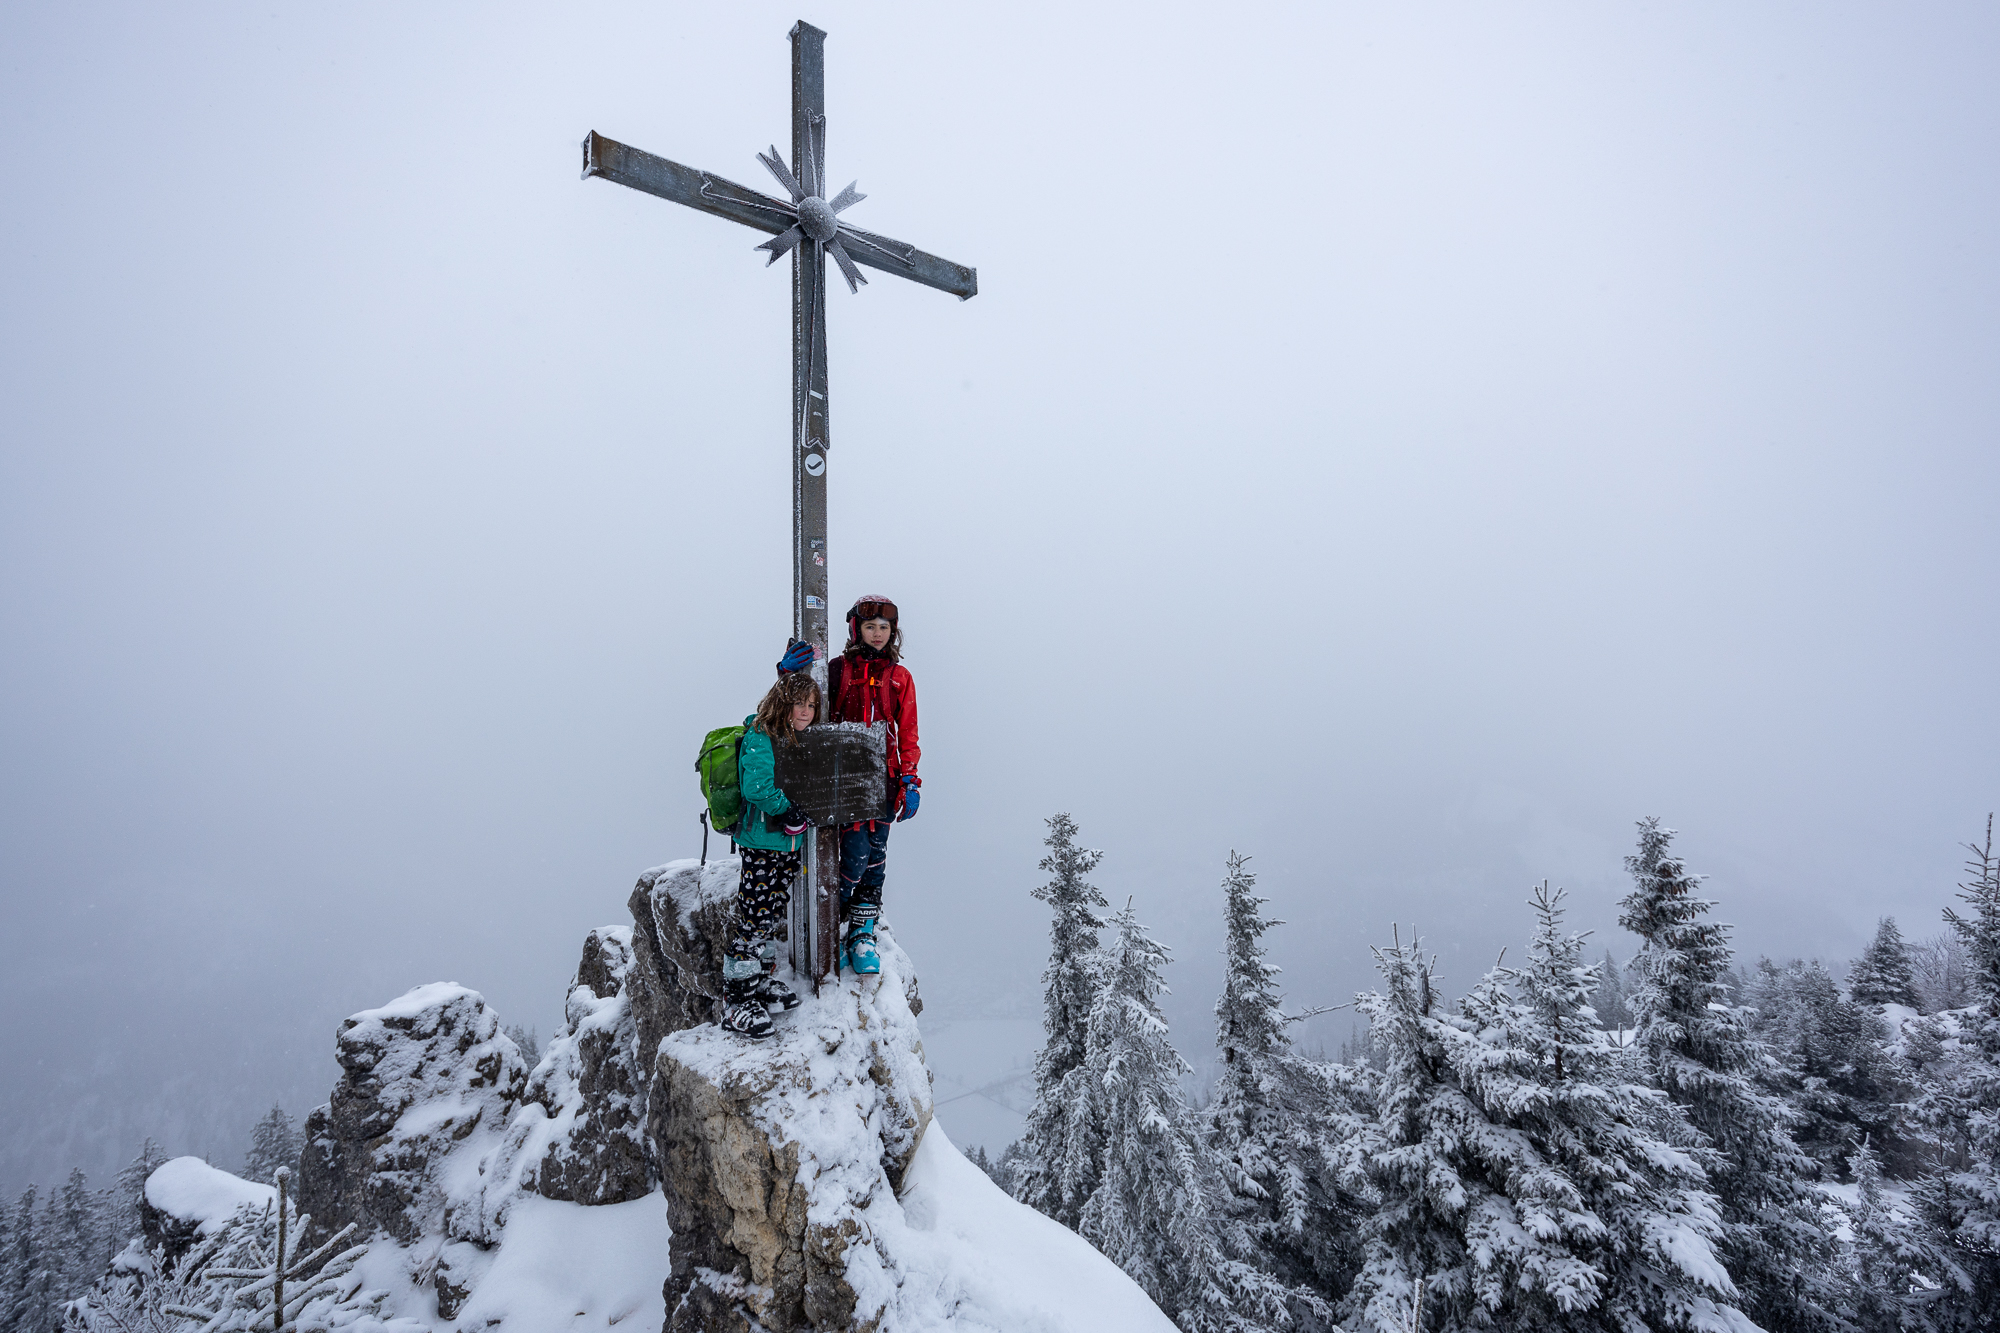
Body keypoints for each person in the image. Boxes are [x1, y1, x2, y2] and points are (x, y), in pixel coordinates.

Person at [819, 595, 920, 976]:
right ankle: (837, 918)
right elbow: (803, 702)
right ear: (855, 630)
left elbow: (907, 730)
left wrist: (909, 779)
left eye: (884, 628)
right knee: (855, 851)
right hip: (843, 776)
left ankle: (863, 932)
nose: (877, 634)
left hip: (885, 776)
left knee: (877, 854)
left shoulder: (899, 677)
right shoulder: (837, 670)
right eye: (869, 627)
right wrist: (787, 673)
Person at [722, 671, 818, 1037]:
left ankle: (759, 982)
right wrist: (787, 809)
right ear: (783, 702)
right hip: (762, 843)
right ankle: (737, 1000)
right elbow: (757, 787)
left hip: (786, 845)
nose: (807, 711)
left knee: (771, 912)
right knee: (754, 917)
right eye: (799, 703)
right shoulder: (761, 735)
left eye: (812, 705)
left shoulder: (797, 738)